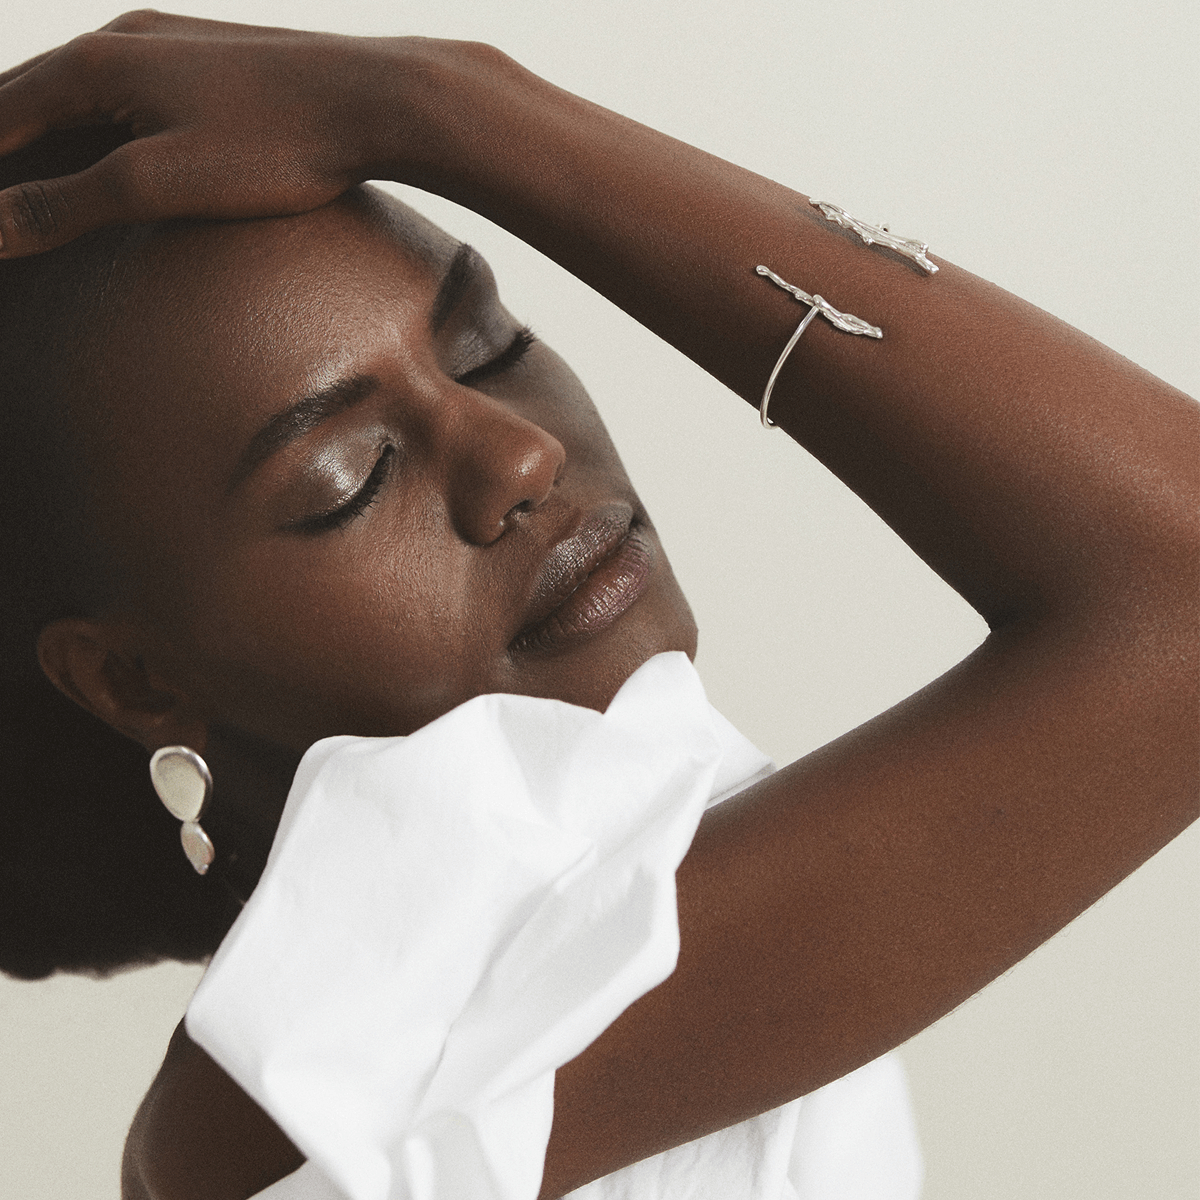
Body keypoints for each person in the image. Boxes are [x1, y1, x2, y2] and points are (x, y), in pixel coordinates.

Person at [0, 11, 1195, 1200]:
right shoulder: (344, 1066)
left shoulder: (560, 913)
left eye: (488, 348)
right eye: (350, 478)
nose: (520, 456)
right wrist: (446, 104)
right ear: (136, 681)